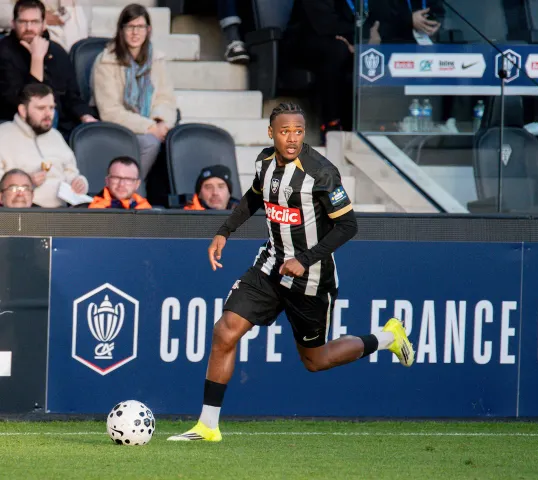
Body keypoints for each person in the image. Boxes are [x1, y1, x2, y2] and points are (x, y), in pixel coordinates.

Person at [168, 103, 414, 442]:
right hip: (270, 267)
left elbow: (348, 225)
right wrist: (224, 231)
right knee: (225, 331)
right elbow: (254, 197)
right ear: (271, 133)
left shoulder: (321, 172)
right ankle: (207, 426)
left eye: (298, 131)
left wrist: (306, 259)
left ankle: (388, 338)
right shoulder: (264, 163)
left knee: (316, 361)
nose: (292, 138)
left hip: (310, 280)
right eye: (285, 131)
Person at [92, 3, 177, 180]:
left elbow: (165, 98)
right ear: (121, 30)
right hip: (118, 127)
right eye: (130, 27)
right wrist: (149, 127)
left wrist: (160, 122)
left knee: (176, 140)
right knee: (150, 143)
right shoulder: (105, 61)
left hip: (151, 123)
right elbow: (110, 111)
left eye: (140, 27)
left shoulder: (157, 59)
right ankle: (131, 187)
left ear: (148, 30)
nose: (135, 33)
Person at [281, 0, 381, 138]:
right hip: (304, 41)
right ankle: (332, 123)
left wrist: (365, 38)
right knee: (338, 50)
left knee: (369, 54)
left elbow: (359, 19)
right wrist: (359, 37)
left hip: (339, 39)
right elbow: (325, 23)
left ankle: (366, 124)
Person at [0, 0, 96, 138]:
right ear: (13, 24)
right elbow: (24, 104)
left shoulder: (57, 51)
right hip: (20, 129)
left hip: (62, 128)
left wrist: (86, 116)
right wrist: (37, 60)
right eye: (23, 22)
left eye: (34, 22)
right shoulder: (4, 53)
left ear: (44, 24)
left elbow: (72, 96)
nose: (28, 27)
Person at [0, 83, 88, 208]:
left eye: (51, 108)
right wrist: (26, 183)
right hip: (24, 212)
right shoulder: (3, 135)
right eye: (41, 108)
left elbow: (70, 171)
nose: (48, 114)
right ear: (23, 110)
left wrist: (78, 182)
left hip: (63, 211)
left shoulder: (56, 136)